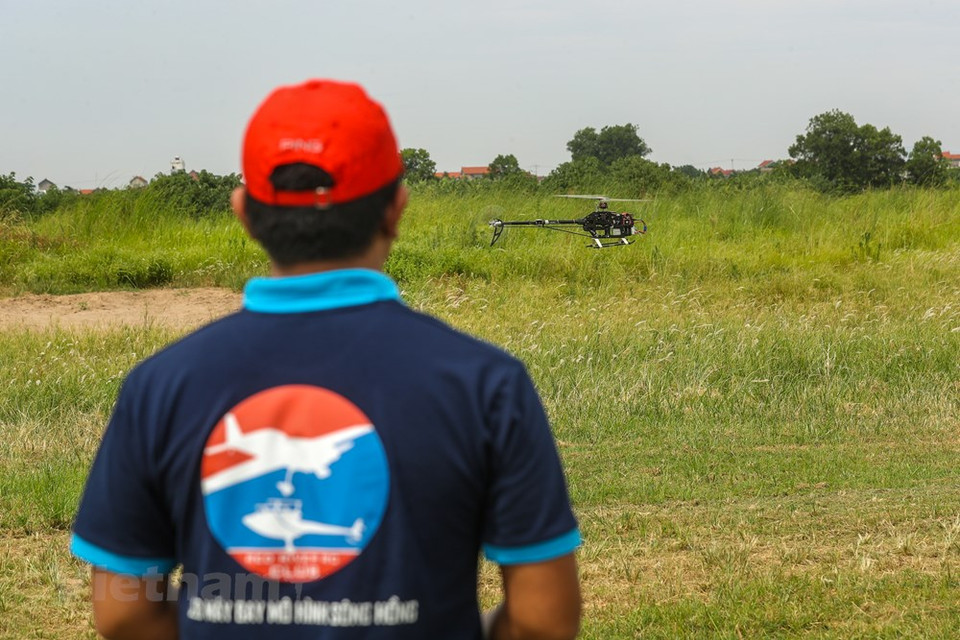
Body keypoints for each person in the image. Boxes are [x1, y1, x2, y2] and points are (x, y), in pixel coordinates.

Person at [70, 79, 581, 639]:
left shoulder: (158, 386)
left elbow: (123, 609)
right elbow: (541, 622)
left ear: (244, 214)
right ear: (397, 209)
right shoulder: (487, 384)